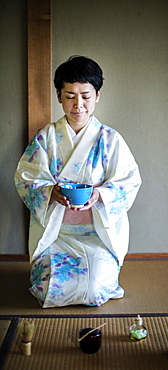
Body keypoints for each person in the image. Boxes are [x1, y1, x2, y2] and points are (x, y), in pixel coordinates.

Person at [14, 56, 141, 308]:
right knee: (49, 288)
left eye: (85, 95)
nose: (78, 104)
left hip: (97, 236)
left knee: (95, 288)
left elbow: (129, 182)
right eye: (70, 95)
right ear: (59, 96)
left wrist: (99, 195)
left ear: (97, 95)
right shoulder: (46, 138)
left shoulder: (111, 140)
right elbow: (26, 177)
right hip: (55, 234)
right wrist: (51, 192)